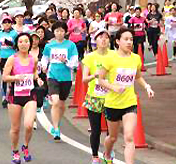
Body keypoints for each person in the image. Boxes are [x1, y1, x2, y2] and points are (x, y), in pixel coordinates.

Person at [98, 28, 155, 164]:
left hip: (130, 103)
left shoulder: (135, 58)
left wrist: (147, 87)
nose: (129, 42)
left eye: (131, 39)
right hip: (112, 103)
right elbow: (100, 79)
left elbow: (138, 77)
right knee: (112, 137)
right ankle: (106, 154)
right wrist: (114, 87)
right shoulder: (110, 59)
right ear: (118, 41)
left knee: (129, 138)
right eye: (126, 39)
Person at [3, 33, 44, 164]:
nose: (24, 44)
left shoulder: (34, 59)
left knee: (28, 125)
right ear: (17, 44)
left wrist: (38, 79)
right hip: (15, 96)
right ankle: (15, 151)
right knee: (15, 128)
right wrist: (16, 78)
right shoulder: (12, 59)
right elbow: (4, 77)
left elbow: (34, 72)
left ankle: (25, 146)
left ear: (30, 44)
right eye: (21, 41)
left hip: (30, 95)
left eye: (26, 41)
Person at [40, 21, 78, 141]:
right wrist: (44, 66)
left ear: (65, 32)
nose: (59, 33)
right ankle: (56, 128)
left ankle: (57, 120)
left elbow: (75, 63)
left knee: (61, 104)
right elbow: (45, 58)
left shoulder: (71, 45)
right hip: (53, 76)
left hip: (66, 78)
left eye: (61, 31)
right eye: (57, 31)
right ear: (53, 32)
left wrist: (65, 61)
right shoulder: (49, 46)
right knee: (55, 102)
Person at [82, 29, 113, 164]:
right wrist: (95, 75)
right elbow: (84, 79)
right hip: (94, 97)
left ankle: (108, 153)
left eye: (106, 37)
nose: (104, 40)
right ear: (95, 40)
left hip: (111, 97)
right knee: (96, 130)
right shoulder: (90, 57)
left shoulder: (114, 55)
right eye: (101, 37)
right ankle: (95, 156)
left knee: (111, 130)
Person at [0, 15, 19, 108]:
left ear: (11, 24)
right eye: (4, 22)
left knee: (13, 76)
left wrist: (11, 44)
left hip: (12, 57)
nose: (6, 24)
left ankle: (13, 95)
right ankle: (4, 97)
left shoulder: (14, 33)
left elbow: (18, 46)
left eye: (8, 22)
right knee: (4, 77)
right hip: (3, 57)